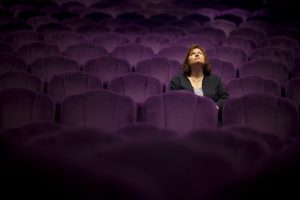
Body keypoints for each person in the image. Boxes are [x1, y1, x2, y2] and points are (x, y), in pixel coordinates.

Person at [169, 44, 229, 110]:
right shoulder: (177, 80)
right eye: (192, 54)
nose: (197, 55)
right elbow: (171, 99)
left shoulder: (215, 80)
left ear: (204, 59)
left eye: (200, 53)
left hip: (210, 117)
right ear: (188, 61)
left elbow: (225, 97)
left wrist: (216, 106)